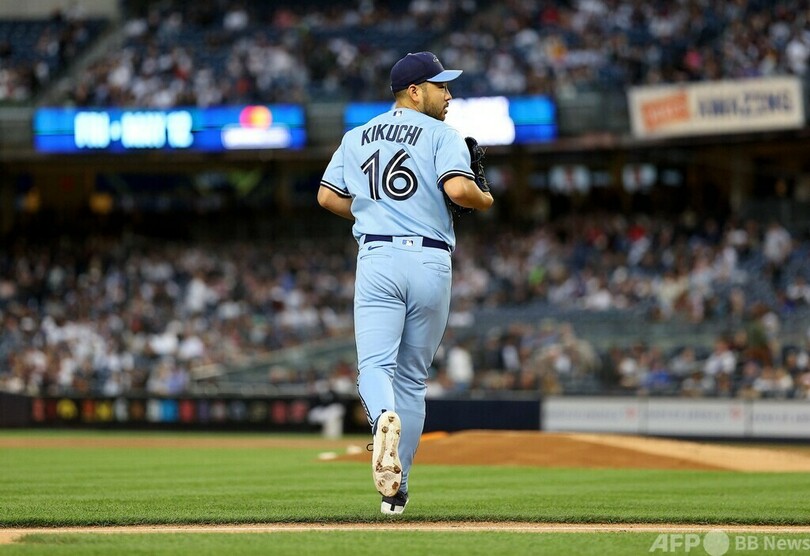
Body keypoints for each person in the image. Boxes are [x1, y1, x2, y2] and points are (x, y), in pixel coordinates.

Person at [317, 51, 494, 514]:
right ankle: (396, 492)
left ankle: (382, 420)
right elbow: (459, 190)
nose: (448, 94)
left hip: (378, 257)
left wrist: (371, 212)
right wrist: (485, 197)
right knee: (413, 378)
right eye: (441, 86)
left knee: (375, 368)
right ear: (415, 92)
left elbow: (327, 196)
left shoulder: (355, 136)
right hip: (431, 260)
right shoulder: (442, 135)